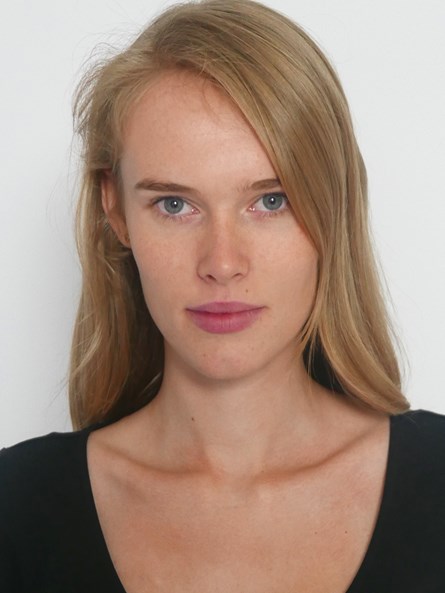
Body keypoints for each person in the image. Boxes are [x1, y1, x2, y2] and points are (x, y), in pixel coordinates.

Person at [1, 0, 444, 591]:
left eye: (270, 201)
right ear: (116, 209)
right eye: (174, 205)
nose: (223, 264)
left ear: (332, 204)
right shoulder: (15, 510)